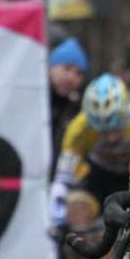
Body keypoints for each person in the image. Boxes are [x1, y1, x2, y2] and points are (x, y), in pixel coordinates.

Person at [50, 73, 130, 259]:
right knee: (76, 211)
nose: (111, 137)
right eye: (102, 132)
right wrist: (58, 214)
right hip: (99, 178)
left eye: (115, 129)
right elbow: (64, 177)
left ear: (125, 113)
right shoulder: (79, 128)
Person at [48, 37, 87, 171]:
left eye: (78, 73)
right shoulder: (37, 102)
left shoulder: (79, 108)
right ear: (51, 68)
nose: (71, 77)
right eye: (66, 68)